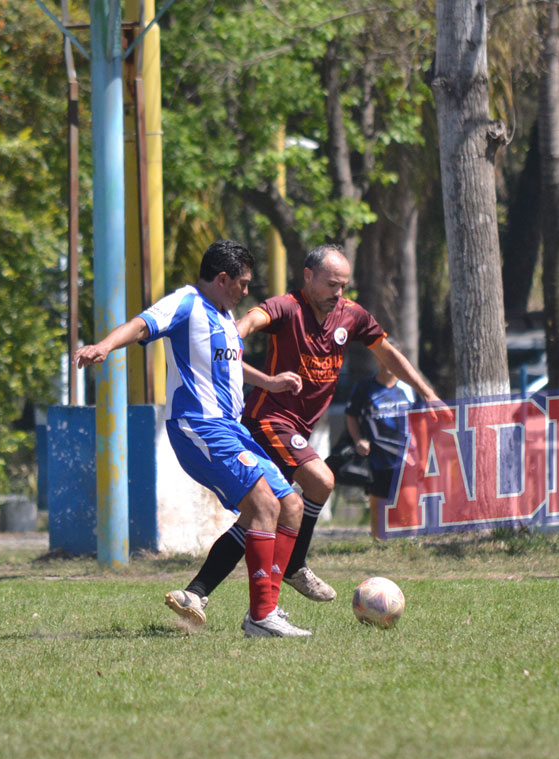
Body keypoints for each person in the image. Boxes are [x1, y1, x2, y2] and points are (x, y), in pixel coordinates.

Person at [165, 243, 442, 627]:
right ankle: (295, 566)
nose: (338, 293)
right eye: (331, 284)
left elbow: (387, 353)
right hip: (267, 421)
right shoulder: (285, 307)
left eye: (343, 285)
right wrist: (230, 340)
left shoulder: (351, 316)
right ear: (308, 277)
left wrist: (427, 392)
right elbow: (243, 326)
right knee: (321, 479)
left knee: (259, 517)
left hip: (297, 428)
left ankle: (198, 592)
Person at [75, 239, 311, 637]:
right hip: (198, 426)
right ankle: (261, 617)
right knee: (264, 503)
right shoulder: (185, 303)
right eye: (243, 282)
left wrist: (268, 381)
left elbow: (230, 364)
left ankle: (256, 606)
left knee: (291, 506)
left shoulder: (224, 315)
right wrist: (104, 346)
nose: (246, 290)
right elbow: (141, 325)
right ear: (222, 279)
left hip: (231, 429)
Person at [345, 364, 418, 536]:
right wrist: (358, 440)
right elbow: (351, 415)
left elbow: (420, 418)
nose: (387, 364)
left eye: (390, 360)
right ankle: (378, 543)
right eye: (382, 359)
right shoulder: (364, 388)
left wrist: (422, 448)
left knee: (409, 501)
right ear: (376, 361)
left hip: (406, 455)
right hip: (377, 457)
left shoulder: (408, 387)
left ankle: (412, 543)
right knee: (378, 504)